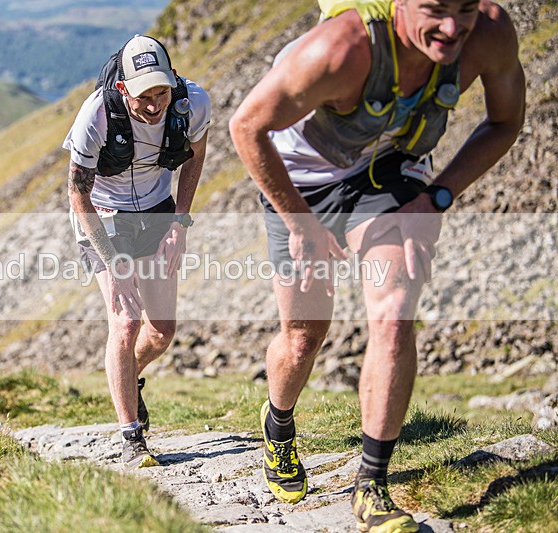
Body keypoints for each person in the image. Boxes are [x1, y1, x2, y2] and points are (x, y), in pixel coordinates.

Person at [229, 0, 524, 531]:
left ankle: (371, 486)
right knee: (303, 337)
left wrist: (435, 197)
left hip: (391, 168)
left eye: (464, 9)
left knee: (393, 312)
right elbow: (247, 126)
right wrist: (301, 224)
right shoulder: (340, 50)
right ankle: (279, 425)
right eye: (435, 9)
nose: (452, 27)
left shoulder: (490, 32)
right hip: (302, 182)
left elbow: (505, 121)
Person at [64, 34, 211, 470]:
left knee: (161, 331)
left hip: (157, 208)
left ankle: (130, 376)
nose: (154, 105)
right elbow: (77, 194)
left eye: (161, 92)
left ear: (173, 80)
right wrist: (114, 264)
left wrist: (180, 222)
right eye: (143, 96)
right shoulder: (96, 114)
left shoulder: (193, 103)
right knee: (126, 321)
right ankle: (132, 437)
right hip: (103, 212)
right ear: (122, 88)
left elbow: (195, 156)